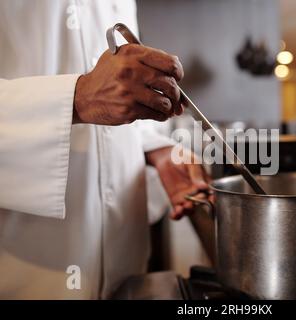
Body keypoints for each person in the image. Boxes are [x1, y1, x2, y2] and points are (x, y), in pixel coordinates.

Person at [0, 0, 209, 299]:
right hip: (25, 273)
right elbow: (93, 93)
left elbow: (118, 103)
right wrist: (79, 97)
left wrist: (157, 151)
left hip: (128, 271)